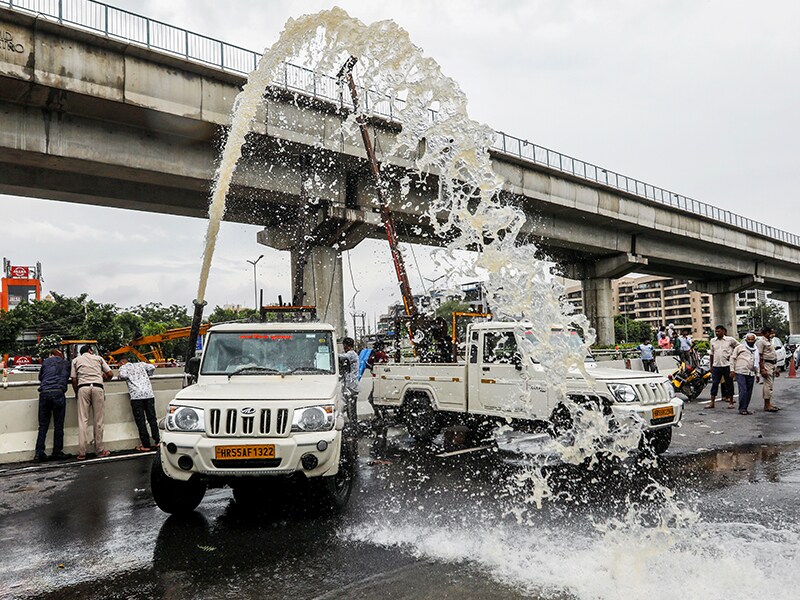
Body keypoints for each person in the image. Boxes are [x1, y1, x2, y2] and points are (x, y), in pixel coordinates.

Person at [70, 345, 113, 460]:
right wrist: (101, 377)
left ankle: (82, 452)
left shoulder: (75, 360)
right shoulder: (98, 358)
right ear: (90, 350)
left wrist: (76, 392)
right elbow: (110, 374)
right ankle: (99, 450)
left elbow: (73, 379)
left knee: (83, 420)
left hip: (82, 388)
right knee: (98, 420)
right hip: (98, 387)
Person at [34, 349, 72, 462]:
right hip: (58, 392)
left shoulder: (45, 362)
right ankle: (57, 452)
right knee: (58, 425)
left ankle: (39, 453)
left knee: (43, 425)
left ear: (51, 355)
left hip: (44, 393)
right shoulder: (66, 363)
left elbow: (41, 377)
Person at [118, 356, 160, 452]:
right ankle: (157, 441)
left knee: (141, 421)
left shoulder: (124, 367)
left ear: (121, 363)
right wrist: (148, 374)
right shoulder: (141, 364)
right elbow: (152, 367)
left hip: (136, 396)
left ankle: (146, 445)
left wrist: (122, 376)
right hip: (148, 394)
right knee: (152, 418)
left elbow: (123, 375)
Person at [708, 325, 738, 409]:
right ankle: (712, 402)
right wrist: (711, 366)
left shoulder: (730, 340)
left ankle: (731, 401)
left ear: (723, 331)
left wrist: (733, 355)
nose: (717, 333)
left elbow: (738, 346)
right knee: (714, 384)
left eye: (719, 331)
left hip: (727, 365)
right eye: (716, 331)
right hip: (716, 365)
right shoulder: (713, 341)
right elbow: (712, 353)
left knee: (729, 384)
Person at [731, 333, 758, 415]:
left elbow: (757, 362)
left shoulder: (756, 349)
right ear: (746, 340)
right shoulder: (739, 348)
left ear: (755, 340)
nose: (750, 341)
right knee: (743, 390)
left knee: (749, 391)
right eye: (748, 339)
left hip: (751, 372)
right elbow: (732, 358)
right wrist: (732, 370)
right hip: (740, 371)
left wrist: (758, 374)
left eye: (752, 339)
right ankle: (742, 408)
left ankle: (745, 408)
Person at [756, 327, 781, 412]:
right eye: (770, 332)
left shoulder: (768, 341)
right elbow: (759, 356)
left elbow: (773, 355)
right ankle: (767, 405)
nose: (772, 334)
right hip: (766, 364)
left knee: (770, 385)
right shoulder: (761, 342)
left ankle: (769, 403)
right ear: (766, 333)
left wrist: (776, 367)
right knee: (768, 385)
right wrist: (762, 369)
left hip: (772, 364)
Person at [341, 337, 360, 425]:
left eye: (344, 346)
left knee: (351, 409)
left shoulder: (351, 354)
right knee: (350, 409)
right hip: (351, 386)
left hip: (351, 387)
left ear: (347, 346)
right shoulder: (352, 354)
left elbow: (341, 357)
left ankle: (354, 427)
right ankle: (353, 426)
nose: (343, 348)